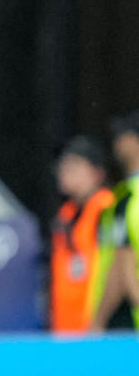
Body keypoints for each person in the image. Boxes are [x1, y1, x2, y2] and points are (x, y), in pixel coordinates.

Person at [50, 136, 115, 332]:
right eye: (63, 166)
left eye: (75, 166)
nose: (65, 172)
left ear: (97, 173)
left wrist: (99, 320)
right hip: (65, 329)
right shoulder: (66, 214)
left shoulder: (107, 208)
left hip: (96, 329)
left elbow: (117, 268)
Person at [90, 112, 139, 331]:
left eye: (123, 135)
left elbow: (121, 268)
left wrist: (98, 321)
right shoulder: (123, 197)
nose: (117, 142)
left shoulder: (127, 198)